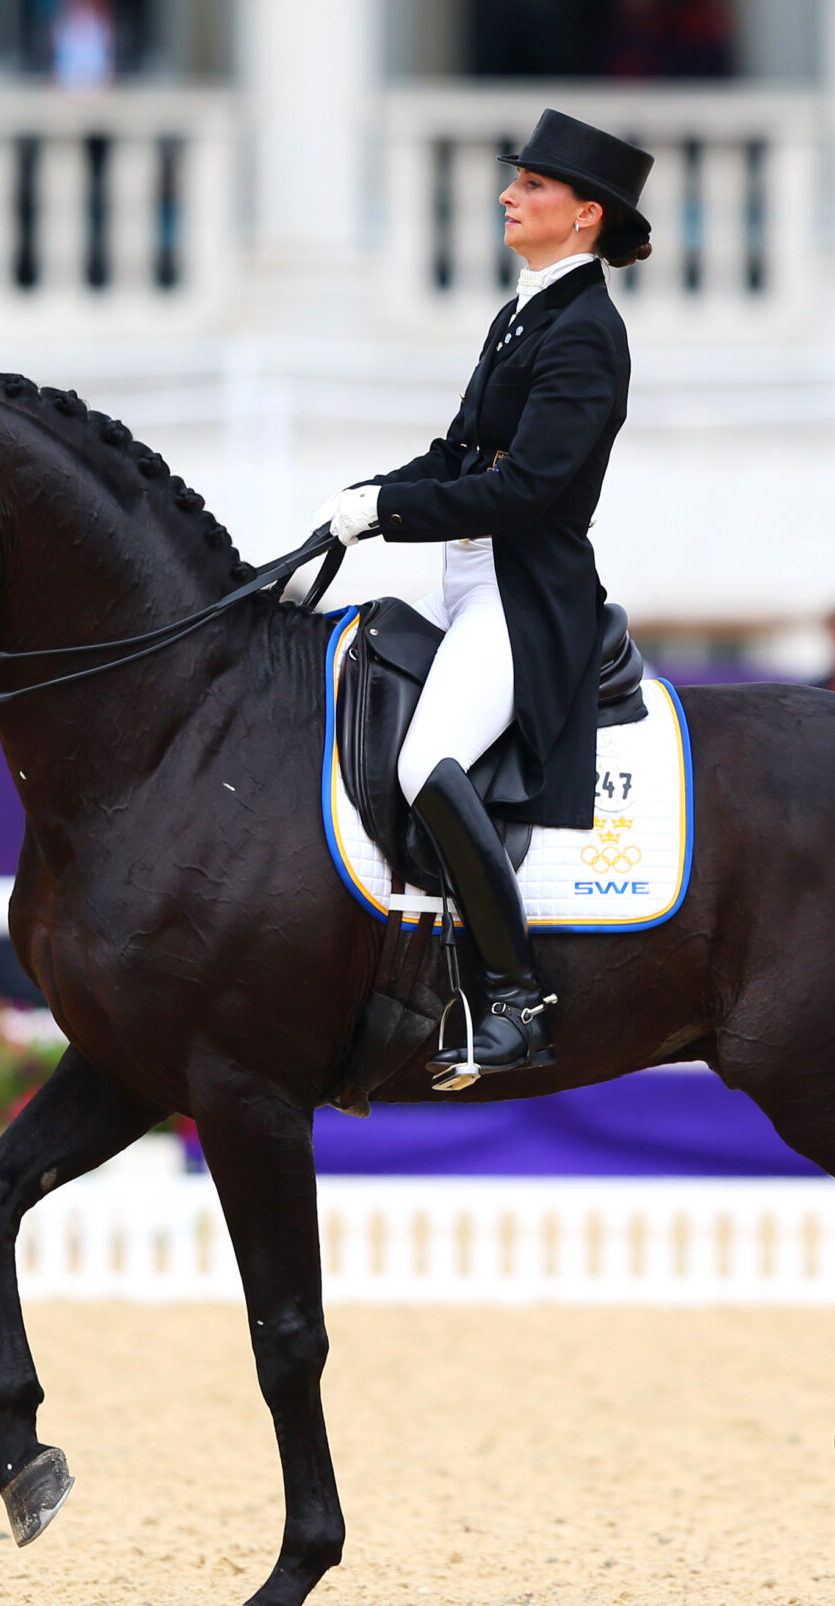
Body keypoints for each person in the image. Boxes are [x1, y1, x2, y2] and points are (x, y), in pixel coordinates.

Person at [308, 108, 653, 1087]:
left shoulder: (586, 332)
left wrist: (388, 512)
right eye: (516, 180)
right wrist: (350, 509)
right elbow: (459, 453)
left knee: (427, 760)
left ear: (585, 214)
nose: (508, 195)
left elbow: (524, 489)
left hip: (525, 596)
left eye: (532, 185)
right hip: (469, 581)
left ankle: (515, 998)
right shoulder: (524, 313)